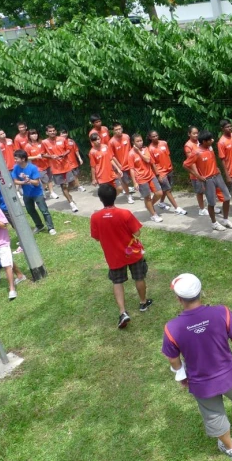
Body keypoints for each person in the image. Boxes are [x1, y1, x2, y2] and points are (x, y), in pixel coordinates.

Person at [161, 273, 232, 460]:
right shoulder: (221, 312)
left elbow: (172, 358)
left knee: (213, 414)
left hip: (200, 382)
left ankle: (230, 447)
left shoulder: (172, 328)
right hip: (229, 373)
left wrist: (181, 374)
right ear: (201, 292)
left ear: (179, 299)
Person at [90, 183, 153, 328]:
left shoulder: (95, 217)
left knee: (117, 282)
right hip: (132, 253)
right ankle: (143, 303)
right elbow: (137, 233)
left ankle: (123, 312)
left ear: (100, 199)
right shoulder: (125, 213)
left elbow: (96, 237)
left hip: (113, 256)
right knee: (139, 277)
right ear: (115, 196)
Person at [183, 130, 232, 231]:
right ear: (204, 141)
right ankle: (214, 223)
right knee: (212, 203)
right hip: (208, 180)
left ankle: (225, 220)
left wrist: (216, 168)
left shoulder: (210, 148)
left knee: (227, 198)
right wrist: (198, 176)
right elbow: (185, 165)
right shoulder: (196, 152)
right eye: (210, 139)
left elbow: (212, 159)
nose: (212, 140)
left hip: (217, 176)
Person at [11, 150, 56, 235]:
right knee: (30, 210)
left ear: (23, 159)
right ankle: (39, 226)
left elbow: (36, 182)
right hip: (26, 194)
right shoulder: (16, 167)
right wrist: (24, 182)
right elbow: (15, 181)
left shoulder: (32, 168)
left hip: (37, 193)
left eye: (16, 159)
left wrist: (29, 180)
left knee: (44, 210)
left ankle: (51, 228)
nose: (15, 160)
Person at [147, 130, 187, 215]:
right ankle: (177, 208)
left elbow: (168, 155)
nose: (155, 137)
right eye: (153, 136)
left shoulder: (164, 143)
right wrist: (158, 175)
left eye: (156, 135)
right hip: (161, 172)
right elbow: (153, 164)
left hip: (169, 169)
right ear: (150, 137)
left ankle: (161, 203)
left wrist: (171, 167)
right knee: (168, 190)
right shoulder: (150, 149)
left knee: (166, 189)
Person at [42, 125, 78, 212]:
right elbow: (43, 154)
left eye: (53, 130)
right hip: (56, 169)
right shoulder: (44, 142)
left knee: (73, 184)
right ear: (46, 133)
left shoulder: (62, 139)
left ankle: (68, 194)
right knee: (63, 186)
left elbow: (69, 149)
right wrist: (51, 156)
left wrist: (64, 154)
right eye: (50, 131)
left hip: (66, 166)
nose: (52, 132)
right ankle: (72, 204)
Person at [128, 133, 164, 223]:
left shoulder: (145, 149)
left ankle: (149, 205)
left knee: (159, 193)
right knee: (147, 197)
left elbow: (148, 160)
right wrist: (135, 182)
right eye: (138, 141)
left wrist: (139, 152)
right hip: (141, 179)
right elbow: (131, 169)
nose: (140, 143)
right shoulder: (131, 154)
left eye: (141, 140)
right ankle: (153, 215)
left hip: (151, 176)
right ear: (133, 142)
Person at [186, 126, 221, 215]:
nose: (196, 135)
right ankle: (201, 209)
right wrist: (197, 175)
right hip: (197, 174)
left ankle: (211, 206)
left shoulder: (201, 141)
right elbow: (191, 162)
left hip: (207, 172)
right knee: (200, 191)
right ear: (189, 134)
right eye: (194, 133)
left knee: (209, 190)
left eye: (197, 133)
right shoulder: (188, 145)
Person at [25, 128, 58, 199]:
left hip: (47, 164)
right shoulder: (28, 146)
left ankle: (51, 192)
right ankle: (41, 192)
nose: (35, 135)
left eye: (36, 133)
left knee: (49, 178)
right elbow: (27, 157)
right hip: (38, 167)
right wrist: (36, 157)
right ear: (29, 136)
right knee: (44, 180)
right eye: (32, 134)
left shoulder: (42, 142)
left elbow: (48, 151)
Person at [110, 122, 136, 202]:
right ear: (113, 131)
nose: (118, 131)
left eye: (119, 129)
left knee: (138, 177)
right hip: (121, 166)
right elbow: (112, 156)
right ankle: (128, 196)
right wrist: (118, 166)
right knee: (125, 182)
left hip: (130, 163)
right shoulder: (111, 142)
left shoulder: (127, 137)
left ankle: (143, 192)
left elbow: (130, 149)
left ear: (122, 128)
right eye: (116, 130)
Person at [59, 128, 86, 193]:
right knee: (66, 177)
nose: (64, 135)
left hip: (73, 161)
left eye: (65, 133)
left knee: (75, 174)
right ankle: (69, 187)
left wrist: (79, 158)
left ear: (67, 133)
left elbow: (76, 150)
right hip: (64, 163)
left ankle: (77, 186)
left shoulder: (71, 141)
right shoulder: (58, 143)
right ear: (59, 135)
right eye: (62, 133)